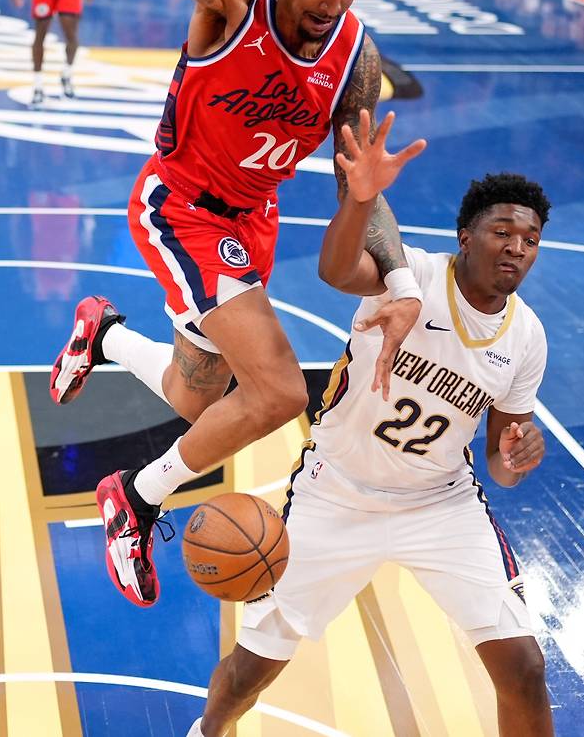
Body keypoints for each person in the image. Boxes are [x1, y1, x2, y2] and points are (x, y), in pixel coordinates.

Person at [49, 0, 427, 608]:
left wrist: (399, 284)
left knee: (196, 397)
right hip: (182, 204)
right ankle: (135, 499)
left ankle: (103, 333)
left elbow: (359, 187)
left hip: (252, 222)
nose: (331, 2)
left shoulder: (355, 60)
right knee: (281, 390)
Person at [184, 119, 554, 737]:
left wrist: (516, 459)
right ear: (466, 237)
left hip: (441, 506)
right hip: (337, 492)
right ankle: (206, 732)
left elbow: (499, 461)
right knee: (252, 669)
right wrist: (359, 199)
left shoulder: (527, 337)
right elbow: (335, 269)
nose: (518, 246)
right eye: (503, 231)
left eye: (531, 238)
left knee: (524, 669)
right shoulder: (409, 274)